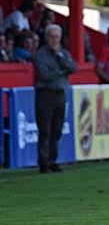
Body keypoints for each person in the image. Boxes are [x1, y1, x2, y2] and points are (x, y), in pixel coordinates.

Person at [33, 24, 76, 173]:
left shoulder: (63, 53)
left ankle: (53, 160)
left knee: (57, 129)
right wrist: (62, 71)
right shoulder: (40, 55)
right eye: (51, 37)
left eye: (57, 37)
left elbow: (73, 68)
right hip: (45, 94)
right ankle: (43, 162)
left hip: (60, 94)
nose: (54, 40)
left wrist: (60, 59)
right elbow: (44, 75)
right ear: (46, 38)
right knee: (45, 129)